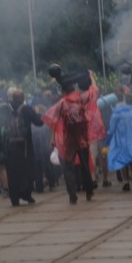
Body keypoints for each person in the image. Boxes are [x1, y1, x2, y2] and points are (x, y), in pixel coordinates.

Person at [42, 71, 99, 204]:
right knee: (85, 165)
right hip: (83, 137)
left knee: (68, 167)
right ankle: (89, 192)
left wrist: (52, 139)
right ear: (74, 89)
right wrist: (91, 77)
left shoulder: (61, 104)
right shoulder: (82, 98)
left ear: (63, 92)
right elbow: (94, 91)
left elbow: (52, 120)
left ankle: (72, 195)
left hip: (69, 139)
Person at [4, 89, 44, 206]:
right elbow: (38, 122)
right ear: (22, 98)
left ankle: (14, 198)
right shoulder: (26, 109)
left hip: (10, 147)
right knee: (27, 170)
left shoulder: (6, 110)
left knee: (12, 172)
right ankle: (26, 194)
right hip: (25, 147)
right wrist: (40, 114)